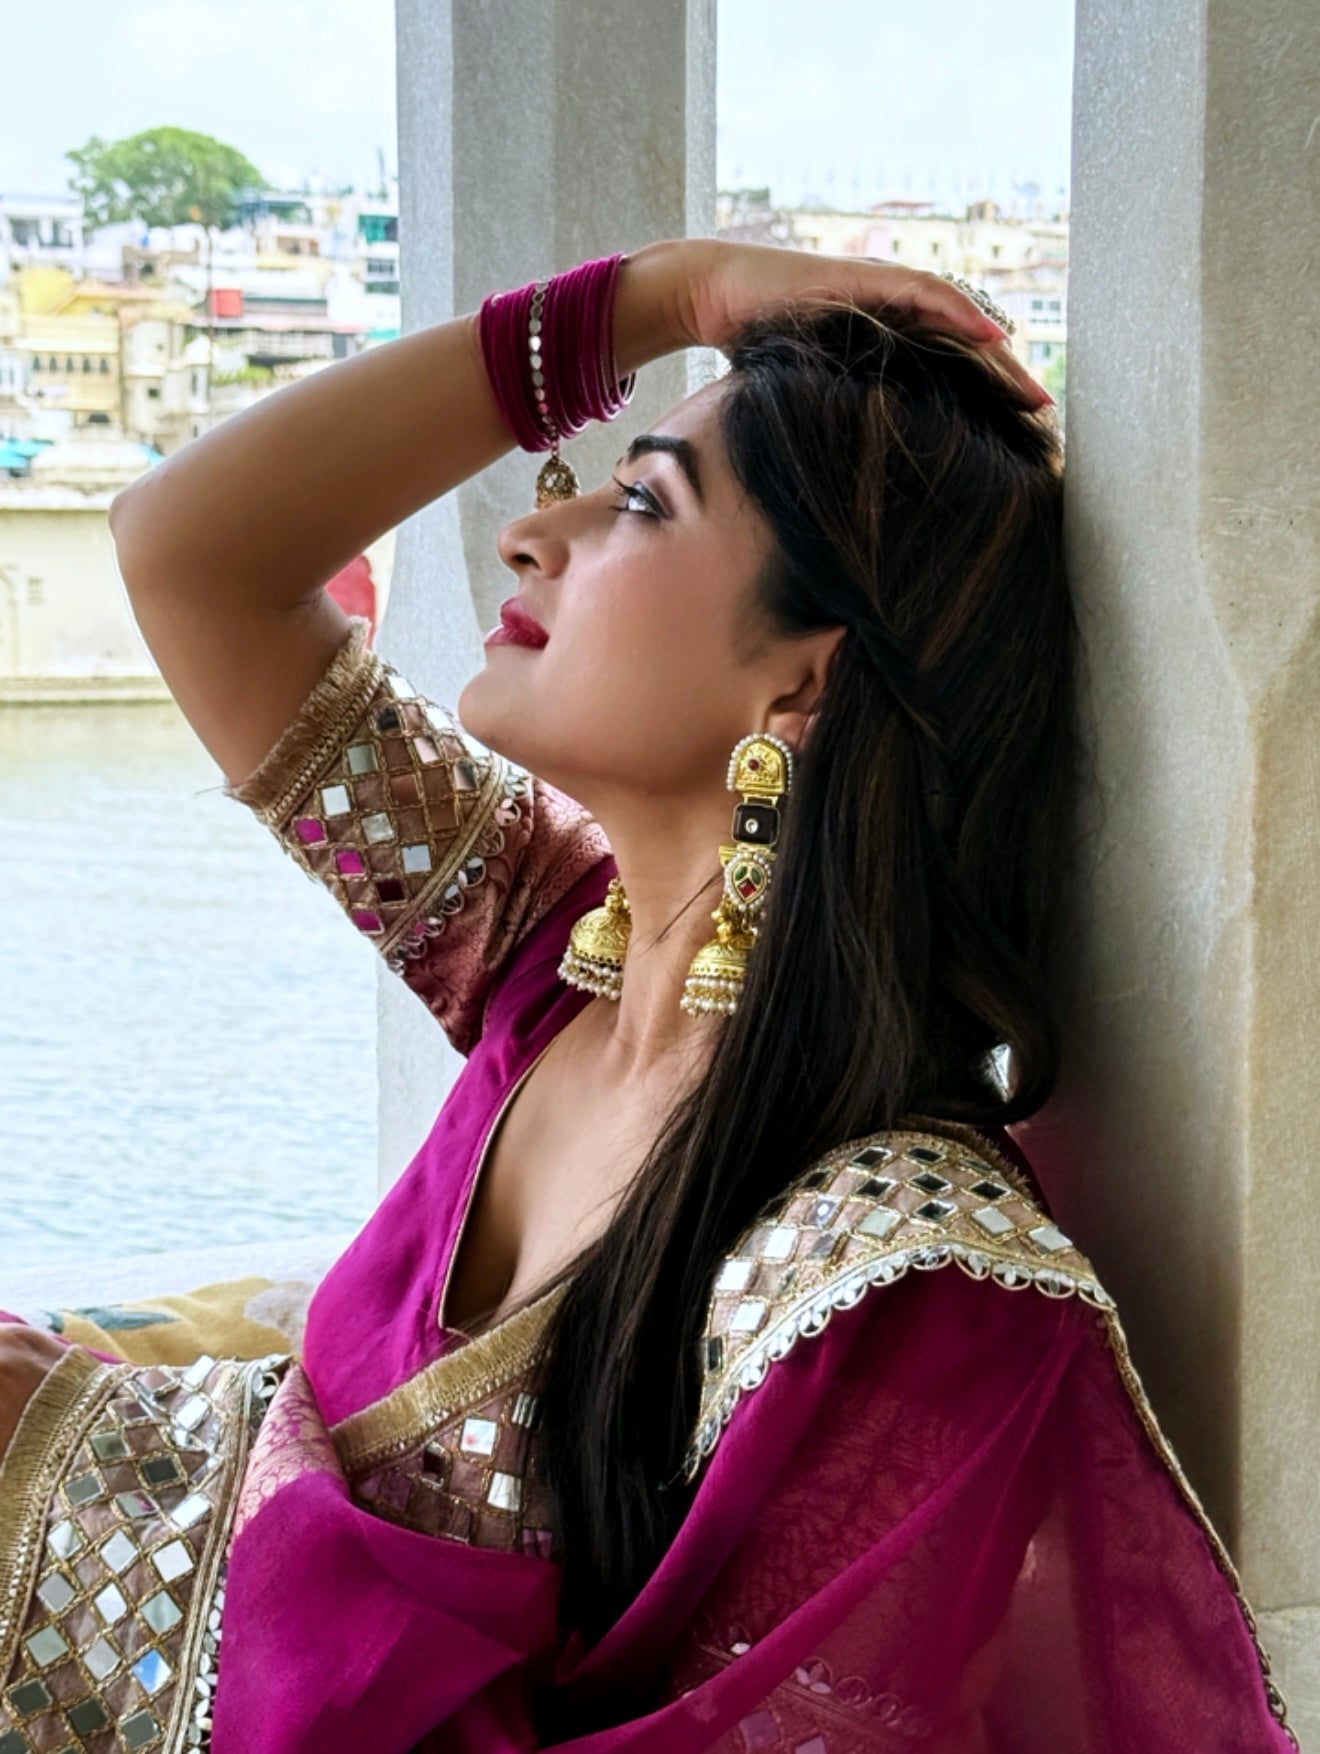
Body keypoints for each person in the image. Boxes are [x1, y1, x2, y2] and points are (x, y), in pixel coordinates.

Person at [0, 239, 1295, 1753]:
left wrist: (93, 1479)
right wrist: (655, 298)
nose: (527, 536)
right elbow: (187, 553)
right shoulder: (544, 949)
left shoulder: (900, 1287)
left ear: (801, 685)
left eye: (637, 504)